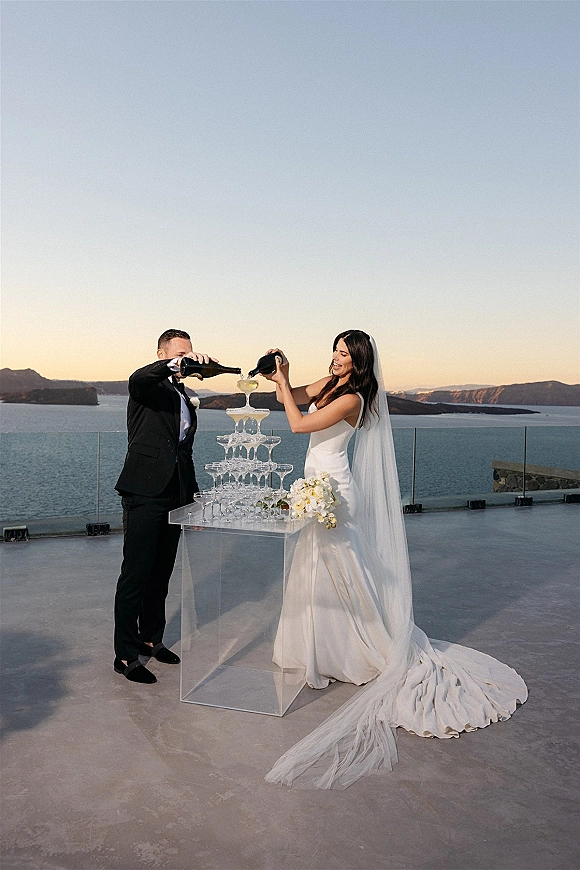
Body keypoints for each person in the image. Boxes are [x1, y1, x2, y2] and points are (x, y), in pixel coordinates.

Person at [261, 331, 527, 788]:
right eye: (335, 350)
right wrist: (280, 375)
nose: (336, 358)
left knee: (344, 567)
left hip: (333, 491)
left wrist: (284, 387)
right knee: (314, 568)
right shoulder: (328, 384)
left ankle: (362, 647)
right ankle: (316, 649)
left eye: (344, 353)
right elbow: (295, 396)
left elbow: (299, 426)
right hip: (314, 486)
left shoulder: (356, 399)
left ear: (359, 359)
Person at [113, 329, 215, 684]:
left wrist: (194, 498)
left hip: (175, 493)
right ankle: (125, 655)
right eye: (179, 355)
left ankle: (150, 639)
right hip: (144, 491)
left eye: (190, 353)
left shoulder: (182, 393)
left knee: (161, 575)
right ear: (162, 355)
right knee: (135, 576)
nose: (187, 359)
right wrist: (174, 365)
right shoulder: (147, 386)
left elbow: (183, 452)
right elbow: (137, 376)